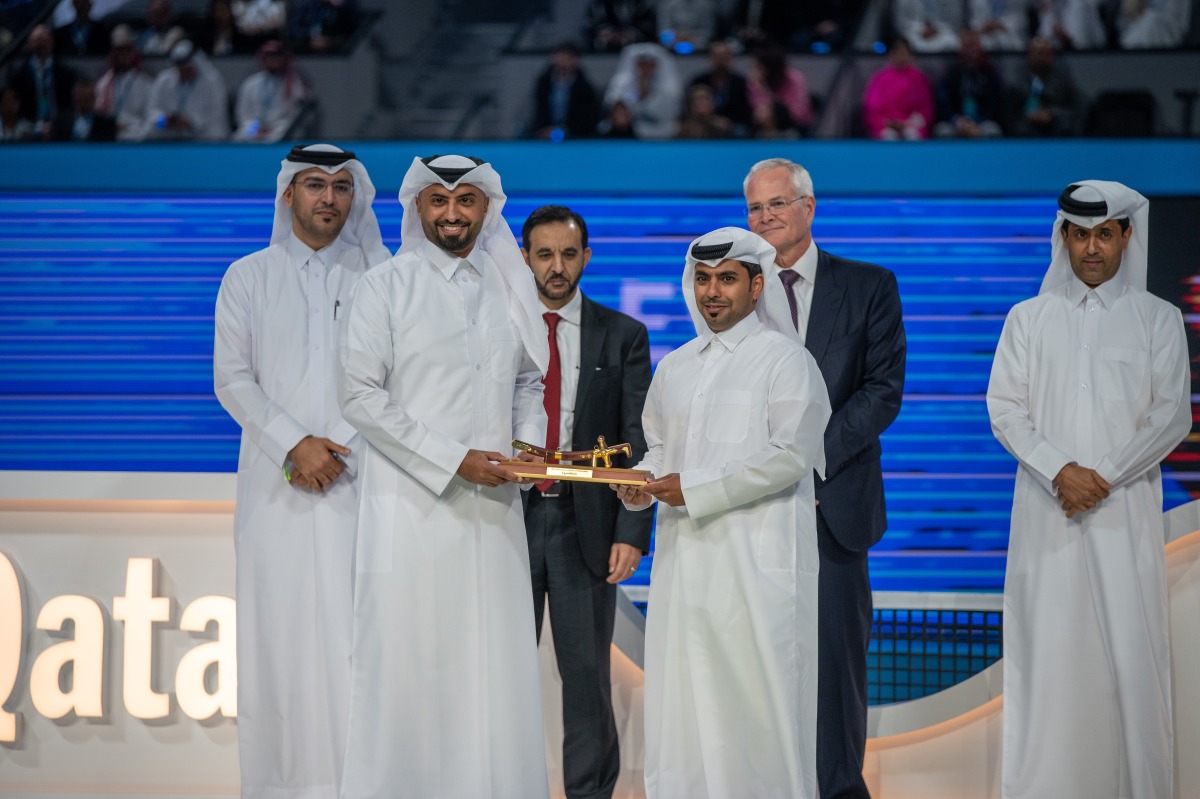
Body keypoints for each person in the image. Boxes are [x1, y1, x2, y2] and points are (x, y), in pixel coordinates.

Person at [338, 154, 551, 798]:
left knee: (493, 668)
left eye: (466, 202)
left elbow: (528, 379)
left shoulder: (507, 286)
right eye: (438, 201)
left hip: (495, 514)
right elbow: (359, 395)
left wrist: (526, 447)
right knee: (413, 664)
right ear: (417, 209)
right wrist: (454, 459)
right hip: (412, 512)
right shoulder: (384, 286)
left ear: (487, 209)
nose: (453, 214)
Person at [987, 181, 1190, 799]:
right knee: (1046, 659)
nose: (1093, 248)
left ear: (1127, 235)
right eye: (1081, 235)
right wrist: (1059, 471)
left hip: (1122, 516)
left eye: (1105, 234)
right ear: (1064, 238)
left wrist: (1099, 476)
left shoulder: (1159, 318)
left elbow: (1171, 415)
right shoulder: (1028, 318)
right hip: (1046, 514)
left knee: (1129, 660)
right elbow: (1004, 409)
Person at [614, 226, 831, 799]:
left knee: (758, 713)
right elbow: (661, 451)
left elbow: (791, 456)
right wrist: (641, 485)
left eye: (727, 279)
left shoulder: (787, 361)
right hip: (686, 568)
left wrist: (696, 487)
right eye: (703, 279)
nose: (713, 292)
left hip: (756, 572)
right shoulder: (676, 366)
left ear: (756, 286)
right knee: (683, 706)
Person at [213, 143, 389, 799]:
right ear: (288, 194)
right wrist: (295, 444)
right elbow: (232, 379)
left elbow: (393, 381)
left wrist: (334, 446)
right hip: (275, 492)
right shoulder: (248, 276)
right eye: (314, 185)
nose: (329, 198)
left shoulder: (381, 279)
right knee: (276, 648)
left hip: (361, 484)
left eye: (342, 186)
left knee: (359, 648)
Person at [743, 158, 906, 799]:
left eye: (778, 205)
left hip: (834, 504)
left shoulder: (869, 285)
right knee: (758, 661)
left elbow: (882, 391)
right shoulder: (734, 287)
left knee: (835, 668)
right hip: (752, 511)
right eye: (755, 209)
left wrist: (806, 456)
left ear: (809, 207)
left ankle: (837, 790)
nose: (766, 219)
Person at [519, 204, 653, 799]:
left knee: (586, 678)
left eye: (568, 253)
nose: (556, 266)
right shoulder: (499, 327)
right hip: (504, 520)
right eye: (544, 254)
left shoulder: (623, 335)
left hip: (586, 526)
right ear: (525, 258)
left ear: (586, 257)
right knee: (498, 670)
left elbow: (637, 437)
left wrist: (632, 526)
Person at [145, 39, 229, 141]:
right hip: (169, 128)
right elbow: (152, 109)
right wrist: (165, 120)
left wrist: (190, 121)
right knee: (147, 130)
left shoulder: (212, 81)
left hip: (201, 130)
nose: (183, 72)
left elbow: (217, 113)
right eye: (180, 69)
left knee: (216, 131)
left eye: (187, 68)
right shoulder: (164, 80)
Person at [933, 29, 1005, 138]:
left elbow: (994, 104)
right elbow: (943, 103)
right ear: (961, 48)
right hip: (956, 122)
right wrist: (957, 121)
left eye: (974, 46)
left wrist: (976, 123)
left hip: (982, 122)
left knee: (992, 130)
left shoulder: (990, 73)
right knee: (943, 131)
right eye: (967, 46)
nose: (971, 51)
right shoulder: (951, 74)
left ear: (980, 48)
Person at [603, 43, 683, 139]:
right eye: (641, 64)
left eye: (649, 64)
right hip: (629, 133)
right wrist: (638, 93)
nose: (645, 68)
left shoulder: (669, 85)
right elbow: (615, 107)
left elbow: (671, 111)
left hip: (665, 132)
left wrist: (648, 95)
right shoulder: (621, 83)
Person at [234, 39, 310, 141]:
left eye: (276, 57)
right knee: (240, 135)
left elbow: (294, 116)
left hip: (279, 127)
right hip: (255, 126)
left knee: (279, 137)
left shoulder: (294, 84)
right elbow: (243, 114)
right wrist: (257, 128)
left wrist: (272, 129)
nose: (272, 61)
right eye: (269, 57)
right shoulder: (251, 83)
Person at [861, 36, 935, 140]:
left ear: (910, 55)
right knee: (888, 137)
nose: (901, 56)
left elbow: (926, 110)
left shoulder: (919, 78)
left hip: (911, 124)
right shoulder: (880, 79)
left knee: (912, 135)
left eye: (904, 53)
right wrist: (888, 123)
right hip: (887, 125)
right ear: (891, 54)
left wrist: (907, 123)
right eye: (897, 53)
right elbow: (872, 110)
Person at [10, 24, 76, 139]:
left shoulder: (65, 73)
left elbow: (70, 104)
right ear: (30, 43)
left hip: (61, 124)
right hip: (29, 124)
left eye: (43, 40)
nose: (40, 45)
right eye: (36, 41)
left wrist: (56, 123)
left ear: (51, 41)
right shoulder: (20, 75)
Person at [529, 41, 602, 140]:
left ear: (575, 61)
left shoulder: (585, 88)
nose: (562, 61)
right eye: (559, 57)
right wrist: (545, 129)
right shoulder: (543, 83)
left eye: (566, 58)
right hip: (546, 131)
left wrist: (566, 130)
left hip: (576, 134)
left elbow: (588, 117)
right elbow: (539, 109)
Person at [1007, 36, 1079, 137]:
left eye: (1046, 54)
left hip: (1055, 121)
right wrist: (1029, 115)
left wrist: (1051, 113)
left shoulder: (1062, 80)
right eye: (1039, 53)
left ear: (1052, 57)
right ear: (1029, 55)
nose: (1041, 58)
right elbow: (1010, 110)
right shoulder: (1017, 81)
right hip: (1026, 122)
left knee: (1066, 125)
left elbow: (1072, 106)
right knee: (1020, 128)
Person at [95, 25, 153, 141]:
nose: (123, 55)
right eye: (119, 51)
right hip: (109, 138)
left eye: (127, 50)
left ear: (133, 53)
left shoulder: (145, 83)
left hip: (136, 138)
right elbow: (98, 112)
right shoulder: (104, 82)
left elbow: (151, 118)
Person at [687, 40, 752, 135]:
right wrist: (712, 120)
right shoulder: (698, 81)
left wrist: (728, 123)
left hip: (733, 124)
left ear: (731, 58)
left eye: (725, 56)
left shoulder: (740, 82)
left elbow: (745, 111)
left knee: (741, 131)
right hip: (702, 121)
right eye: (718, 56)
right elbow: (688, 107)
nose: (721, 60)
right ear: (710, 58)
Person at [747, 46, 813, 135]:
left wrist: (767, 95)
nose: (754, 71)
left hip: (796, 126)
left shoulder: (794, 78)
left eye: (758, 67)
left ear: (769, 68)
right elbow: (758, 112)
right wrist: (762, 88)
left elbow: (798, 112)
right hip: (765, 128)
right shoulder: (755, 83)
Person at [51, 77, 117, 141]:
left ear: (94, 98)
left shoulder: (106, 125)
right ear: (75, 98)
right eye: (81, 97)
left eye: (88, 97)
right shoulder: (61, 121)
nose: (84, 102)